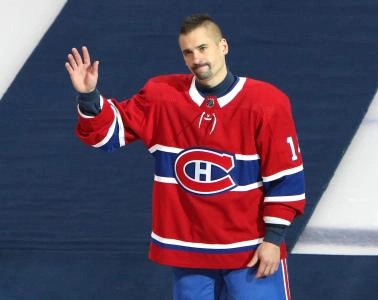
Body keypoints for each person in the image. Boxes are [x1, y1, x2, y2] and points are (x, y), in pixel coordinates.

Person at [65, 13, 305, 300]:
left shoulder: (267, 103)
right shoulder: (161, 97)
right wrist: (90, 96)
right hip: (189, 249)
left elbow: (286, 178)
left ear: (223, 46)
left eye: (203, 48)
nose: (196, 58)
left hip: (250, 248)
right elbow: (108, 135)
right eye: (188, 52)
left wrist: (273, 239)